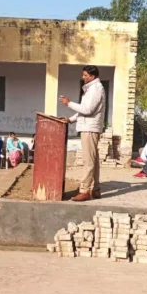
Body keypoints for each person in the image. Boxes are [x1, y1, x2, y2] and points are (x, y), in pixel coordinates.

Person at [59, 65, 105, 202]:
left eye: (85, 75)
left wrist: (68, 103)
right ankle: (95, 189)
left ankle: (85, 190)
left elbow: (87, 110)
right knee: (93, 161)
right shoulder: (91, 89)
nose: (83, 77)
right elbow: (83, 111)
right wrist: (71, 119)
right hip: (88, 126)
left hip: (90, 128)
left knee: (88, 161)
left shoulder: (96, 89)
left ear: (92, 76)